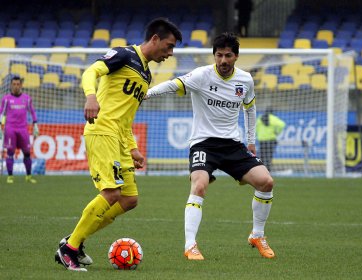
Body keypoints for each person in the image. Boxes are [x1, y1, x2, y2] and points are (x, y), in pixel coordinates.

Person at [54, 17, 182, 272]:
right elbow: (91, 71)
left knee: (129, 199)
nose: (169, 53)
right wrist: (91, 96)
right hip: (101, 130)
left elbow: (127, 116)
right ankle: (69, 249)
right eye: (168, 46)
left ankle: (74, 241)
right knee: (111, 193)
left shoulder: (146, 74)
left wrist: (132, 147)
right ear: (155, 39)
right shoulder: (124, 54)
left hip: (119, 137)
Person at [146, 32, 275, 260]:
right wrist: (145, 94)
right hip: (204, 144)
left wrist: (251, 141)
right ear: (214, 56)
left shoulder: (245, 80)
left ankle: (258, 235)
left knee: (266, 182)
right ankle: (190, 245)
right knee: (199, 186)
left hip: (233, 145)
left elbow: (250, 108)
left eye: (227, 55)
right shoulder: (201, 76)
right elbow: (172, 85)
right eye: (218, 55)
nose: (223, 60)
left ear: (236, 56)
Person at [0, 76, 39, 184]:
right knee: (10, 152)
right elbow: (1, 113)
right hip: (10, 129)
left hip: (23, 129)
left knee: (27, 152)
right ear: (11, 85)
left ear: (21, 85)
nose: (16, 86)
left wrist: (35, 123)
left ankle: (28, 176)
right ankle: (10, 176)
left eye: (18, 84)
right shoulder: (6, 99)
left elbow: (32, 112)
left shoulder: (26, 98)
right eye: (14, 84)